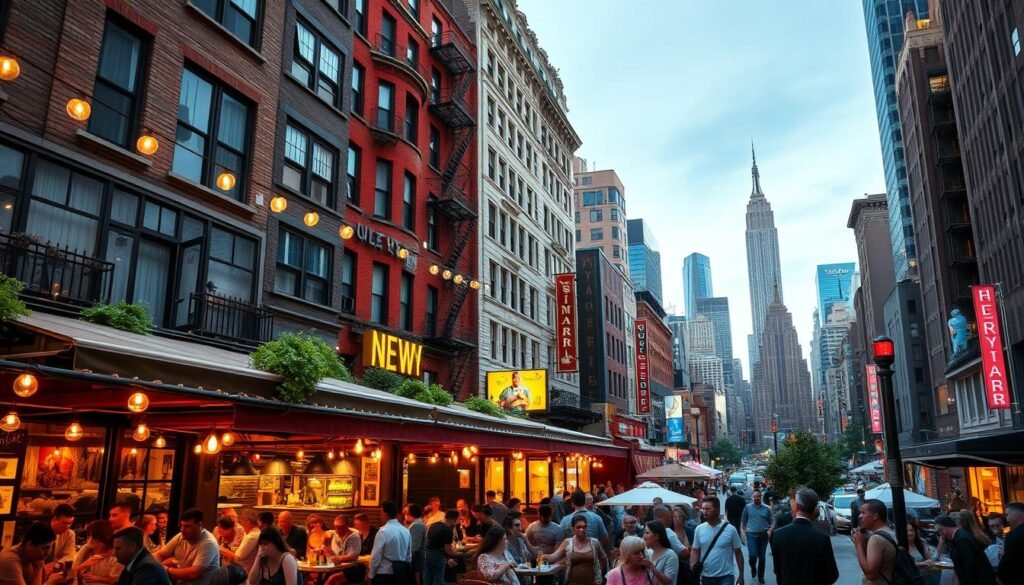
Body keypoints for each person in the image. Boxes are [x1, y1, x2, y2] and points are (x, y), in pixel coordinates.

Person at [769, 488, 838, 585]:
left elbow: (777, 570)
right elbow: (832, 575)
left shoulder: (778, 535)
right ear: (814, 508)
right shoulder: (822, 538)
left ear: (797, 507)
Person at [154, 508, 220, 585]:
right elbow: (160, 554)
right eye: (181, 525)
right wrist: (152, 564)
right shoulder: (181, 536)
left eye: (188, 526)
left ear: (199, 525)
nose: (182, 529)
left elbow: (194, 573)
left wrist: (166, 569)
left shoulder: (208, 543)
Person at [690, 496, 743, 585]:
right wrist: (692, 565)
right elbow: (695, 549)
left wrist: (741, 575)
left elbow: (738, 552)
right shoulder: (699, 529)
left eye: (708, 509)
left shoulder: (731, 529)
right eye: (703, 509)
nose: (704, 512)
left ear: (717, 510)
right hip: (706, 576)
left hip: (726, 576)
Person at [547, 514, 609, 585]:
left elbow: (603, 558)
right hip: (572, 582)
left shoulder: (594, 542)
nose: (582, 529)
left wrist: (599, 572)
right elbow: (553, 557)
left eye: (584, 527)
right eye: (578, 527)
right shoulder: (567, 543)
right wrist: (538, 554)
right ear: (573, 529)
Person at [935, 515, 996, 585]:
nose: (940, 534)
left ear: (947, 526)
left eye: (940, 530)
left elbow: (970, 565)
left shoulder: (961, 539)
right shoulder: (958, 537)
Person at [0, 522, 66, 585]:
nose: (48, 552)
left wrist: (40, 568)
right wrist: (51, 582)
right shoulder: (9, 560)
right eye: (45, 548)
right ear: (30, 544)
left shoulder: (34, 557)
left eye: (51, 546)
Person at [853, 499, 897, 585]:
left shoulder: (876, 539)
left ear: (875, 516)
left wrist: (858, 544)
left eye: (863, 513)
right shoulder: (891, 533)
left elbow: (870, 574)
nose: (859, 516)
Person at [369, 500, 412, 585]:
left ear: (385, 514)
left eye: (380, 513)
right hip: (400, 574)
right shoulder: (406, 531)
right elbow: (409, 556)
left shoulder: (383, 531)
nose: (380, 516)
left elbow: (376, 557)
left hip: (384, 575)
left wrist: (370, 575)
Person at [71, 520, 123, 585]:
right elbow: (73, 570)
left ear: (104, 538)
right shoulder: (86, 548)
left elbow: (116, 580)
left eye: (94, 537)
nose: (90, 540)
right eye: (89, 536)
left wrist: (98, 578)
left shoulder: (116, 554)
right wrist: (85, 564)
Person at [740, 489, 773, 584]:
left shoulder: (767, 508)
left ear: (760, 497)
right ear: (752, 497)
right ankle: (753, 567)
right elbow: (743, 520)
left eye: (758, 497)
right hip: (751, 535)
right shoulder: (747, 507)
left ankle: (761, 576)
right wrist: (743, 531)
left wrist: (770, 530)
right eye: (754, 497)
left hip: (763, 535)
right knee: (752, 555)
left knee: (762, 557)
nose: (756, 498)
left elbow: (772, 521)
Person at [423, 510, 460, 585]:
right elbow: (448, 550)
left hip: (427, 553)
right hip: (437, 555)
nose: (457, 523)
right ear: (454, 519)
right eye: (457, 520)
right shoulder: (447, 530)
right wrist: (458, 554)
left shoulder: (434, 525)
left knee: (427, 577)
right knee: (438, 579)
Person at [997, 502, 1024, 585]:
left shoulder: (1014, 535)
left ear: (1017, 516)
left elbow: (1006, 565)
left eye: (1007, 515)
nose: (1007, 519)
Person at [44, 504, 76, 572]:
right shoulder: (41, 531)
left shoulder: (70, 534)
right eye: (64, 523)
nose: (68, 526)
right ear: (54, 519)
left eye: (70, 523)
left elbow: (70, 555)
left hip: (55, 569)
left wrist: (58, 563)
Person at [405, 504, 426, 584]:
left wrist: (406, 559)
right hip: (416, 559)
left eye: (407, 512)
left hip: (416, 560)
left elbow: (414, 547)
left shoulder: (417, 524)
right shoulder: (417, 523)